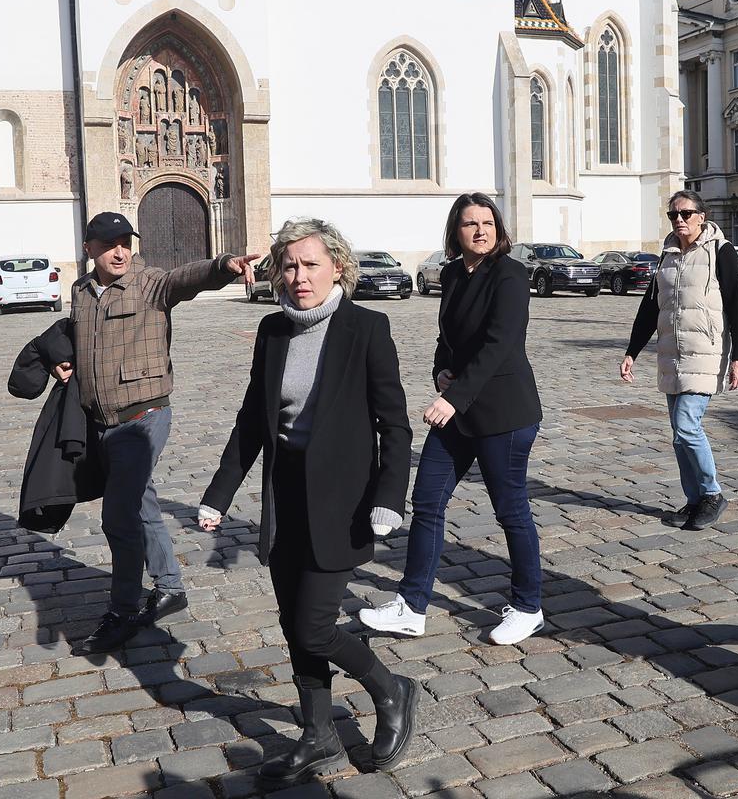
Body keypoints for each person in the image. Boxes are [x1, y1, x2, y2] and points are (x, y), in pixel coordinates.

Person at [198, 218, 416, 781]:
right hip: (284, 498)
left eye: (310, 264)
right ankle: (318, 734)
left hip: (342, 503)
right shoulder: (273, 331)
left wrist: (390, 496)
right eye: (289, 265)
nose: (299, 276)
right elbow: (253, 421)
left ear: (337, 266)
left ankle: (390, 689)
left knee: (316, 625)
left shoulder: (366, 328)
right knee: (292, 621)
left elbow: (394, 424)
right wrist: (219, 494)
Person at [61, 211, 260, 656]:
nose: (120, 252)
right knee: (142, 501)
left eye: (125, 243)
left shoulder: (149, 283)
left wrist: (223, 265)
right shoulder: (80, 290)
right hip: (102, 419)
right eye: (109, 244)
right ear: (89, 248)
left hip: (144, 416)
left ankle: (124, 611)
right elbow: (78, 338)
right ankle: (170, 585)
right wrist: (64, 362)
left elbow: (185, 278)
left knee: (120, 516)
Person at [359, 192, 545, 646]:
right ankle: (412, 605)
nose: (480, 231)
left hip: (504, 412)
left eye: (488, 222)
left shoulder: (511, 274)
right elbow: (450, 336)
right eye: (470, 224)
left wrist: (452, 399)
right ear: (455, 231)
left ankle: (528, 606)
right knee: (427, 502)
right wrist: (440, 369)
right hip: (461, 412)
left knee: (511, 511)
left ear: (499, 228)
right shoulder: (452, 274)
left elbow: (500, 344)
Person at [620, 189, 738, 531]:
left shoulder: (721, 252)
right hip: (671, 355)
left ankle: (711, 494)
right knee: (679, 433)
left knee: (687, 426)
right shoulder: (667, 255)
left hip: (706, 353)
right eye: (674, 215)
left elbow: (737, 306)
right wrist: (632, 351)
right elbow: (650, 307)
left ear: (702, 216)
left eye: (687, 213)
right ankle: (694, 500)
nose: (680, 220)